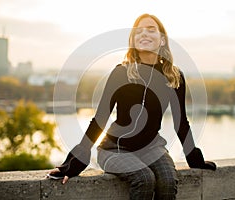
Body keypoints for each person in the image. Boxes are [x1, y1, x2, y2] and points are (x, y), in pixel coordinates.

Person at [48, 13, 216, 200]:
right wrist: (73, 164)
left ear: (162, 40)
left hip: (152, 147)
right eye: (138, 32)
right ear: (133, 41)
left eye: (151, 30)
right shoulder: (121, 73)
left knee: (168, 180)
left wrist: (195, 159)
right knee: (144, 178)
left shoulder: (173, 76)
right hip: (114, 149)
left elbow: (180, 123)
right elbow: (101, 118)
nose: (144, 33)